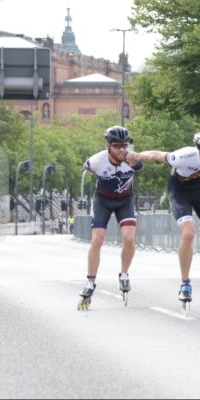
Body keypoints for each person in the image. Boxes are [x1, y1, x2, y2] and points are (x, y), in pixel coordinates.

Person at [128, 130, 200, 315]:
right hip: (179, 191)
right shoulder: (185, 156)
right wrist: (136, 156)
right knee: (189, 233)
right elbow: (156, 155)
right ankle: (185, 284)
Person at [77, 125, 144, 310]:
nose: (122, 149)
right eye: (117, 146)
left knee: (129, 238)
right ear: (108, 146)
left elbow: (141, 166)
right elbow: (86, 168)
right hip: (103, 201)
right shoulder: (97, 161)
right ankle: (90, 282)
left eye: (125, 145)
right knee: (97, 240)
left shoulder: (133, 160)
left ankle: (124, 274)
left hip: (125, 201)